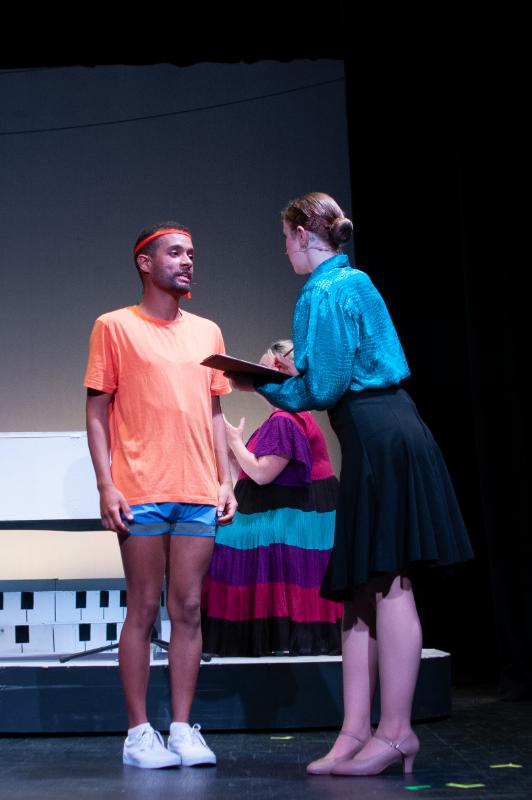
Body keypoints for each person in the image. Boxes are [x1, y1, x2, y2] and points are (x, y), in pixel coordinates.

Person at [229, 193, 473, 777]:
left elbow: (327, 386)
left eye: (284, 238)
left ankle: (397, 733)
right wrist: (291, 376)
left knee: (387, 581)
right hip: (383, 429)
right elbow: (338, 368)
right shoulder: (353, 281)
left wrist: (258, 383)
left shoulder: (324, 290)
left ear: (300, 234)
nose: (284, 250)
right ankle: (354, 732)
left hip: (378, 433)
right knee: (359, 589)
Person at [84, 222, 237, 770]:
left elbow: (214, 412)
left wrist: (225, 478)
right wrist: (106, 483)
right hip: (141, 487)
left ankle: (182, 729)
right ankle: (137, 733)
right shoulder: (114, 326)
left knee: (189, 607)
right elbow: (96, 411)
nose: (187, 261)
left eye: (191, 253)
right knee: (145, 607)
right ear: (145, 263)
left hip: (196, 488)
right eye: (175, 253)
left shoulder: (208, 332)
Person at [201, 340, 343, 657]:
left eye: (263, 370)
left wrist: (234, 442)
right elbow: (255, 474)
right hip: (294, 511)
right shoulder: (284, 416)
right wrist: (233, 453)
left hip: (298, 516)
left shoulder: (285, 419)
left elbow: (263, 474)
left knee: (231, 557)